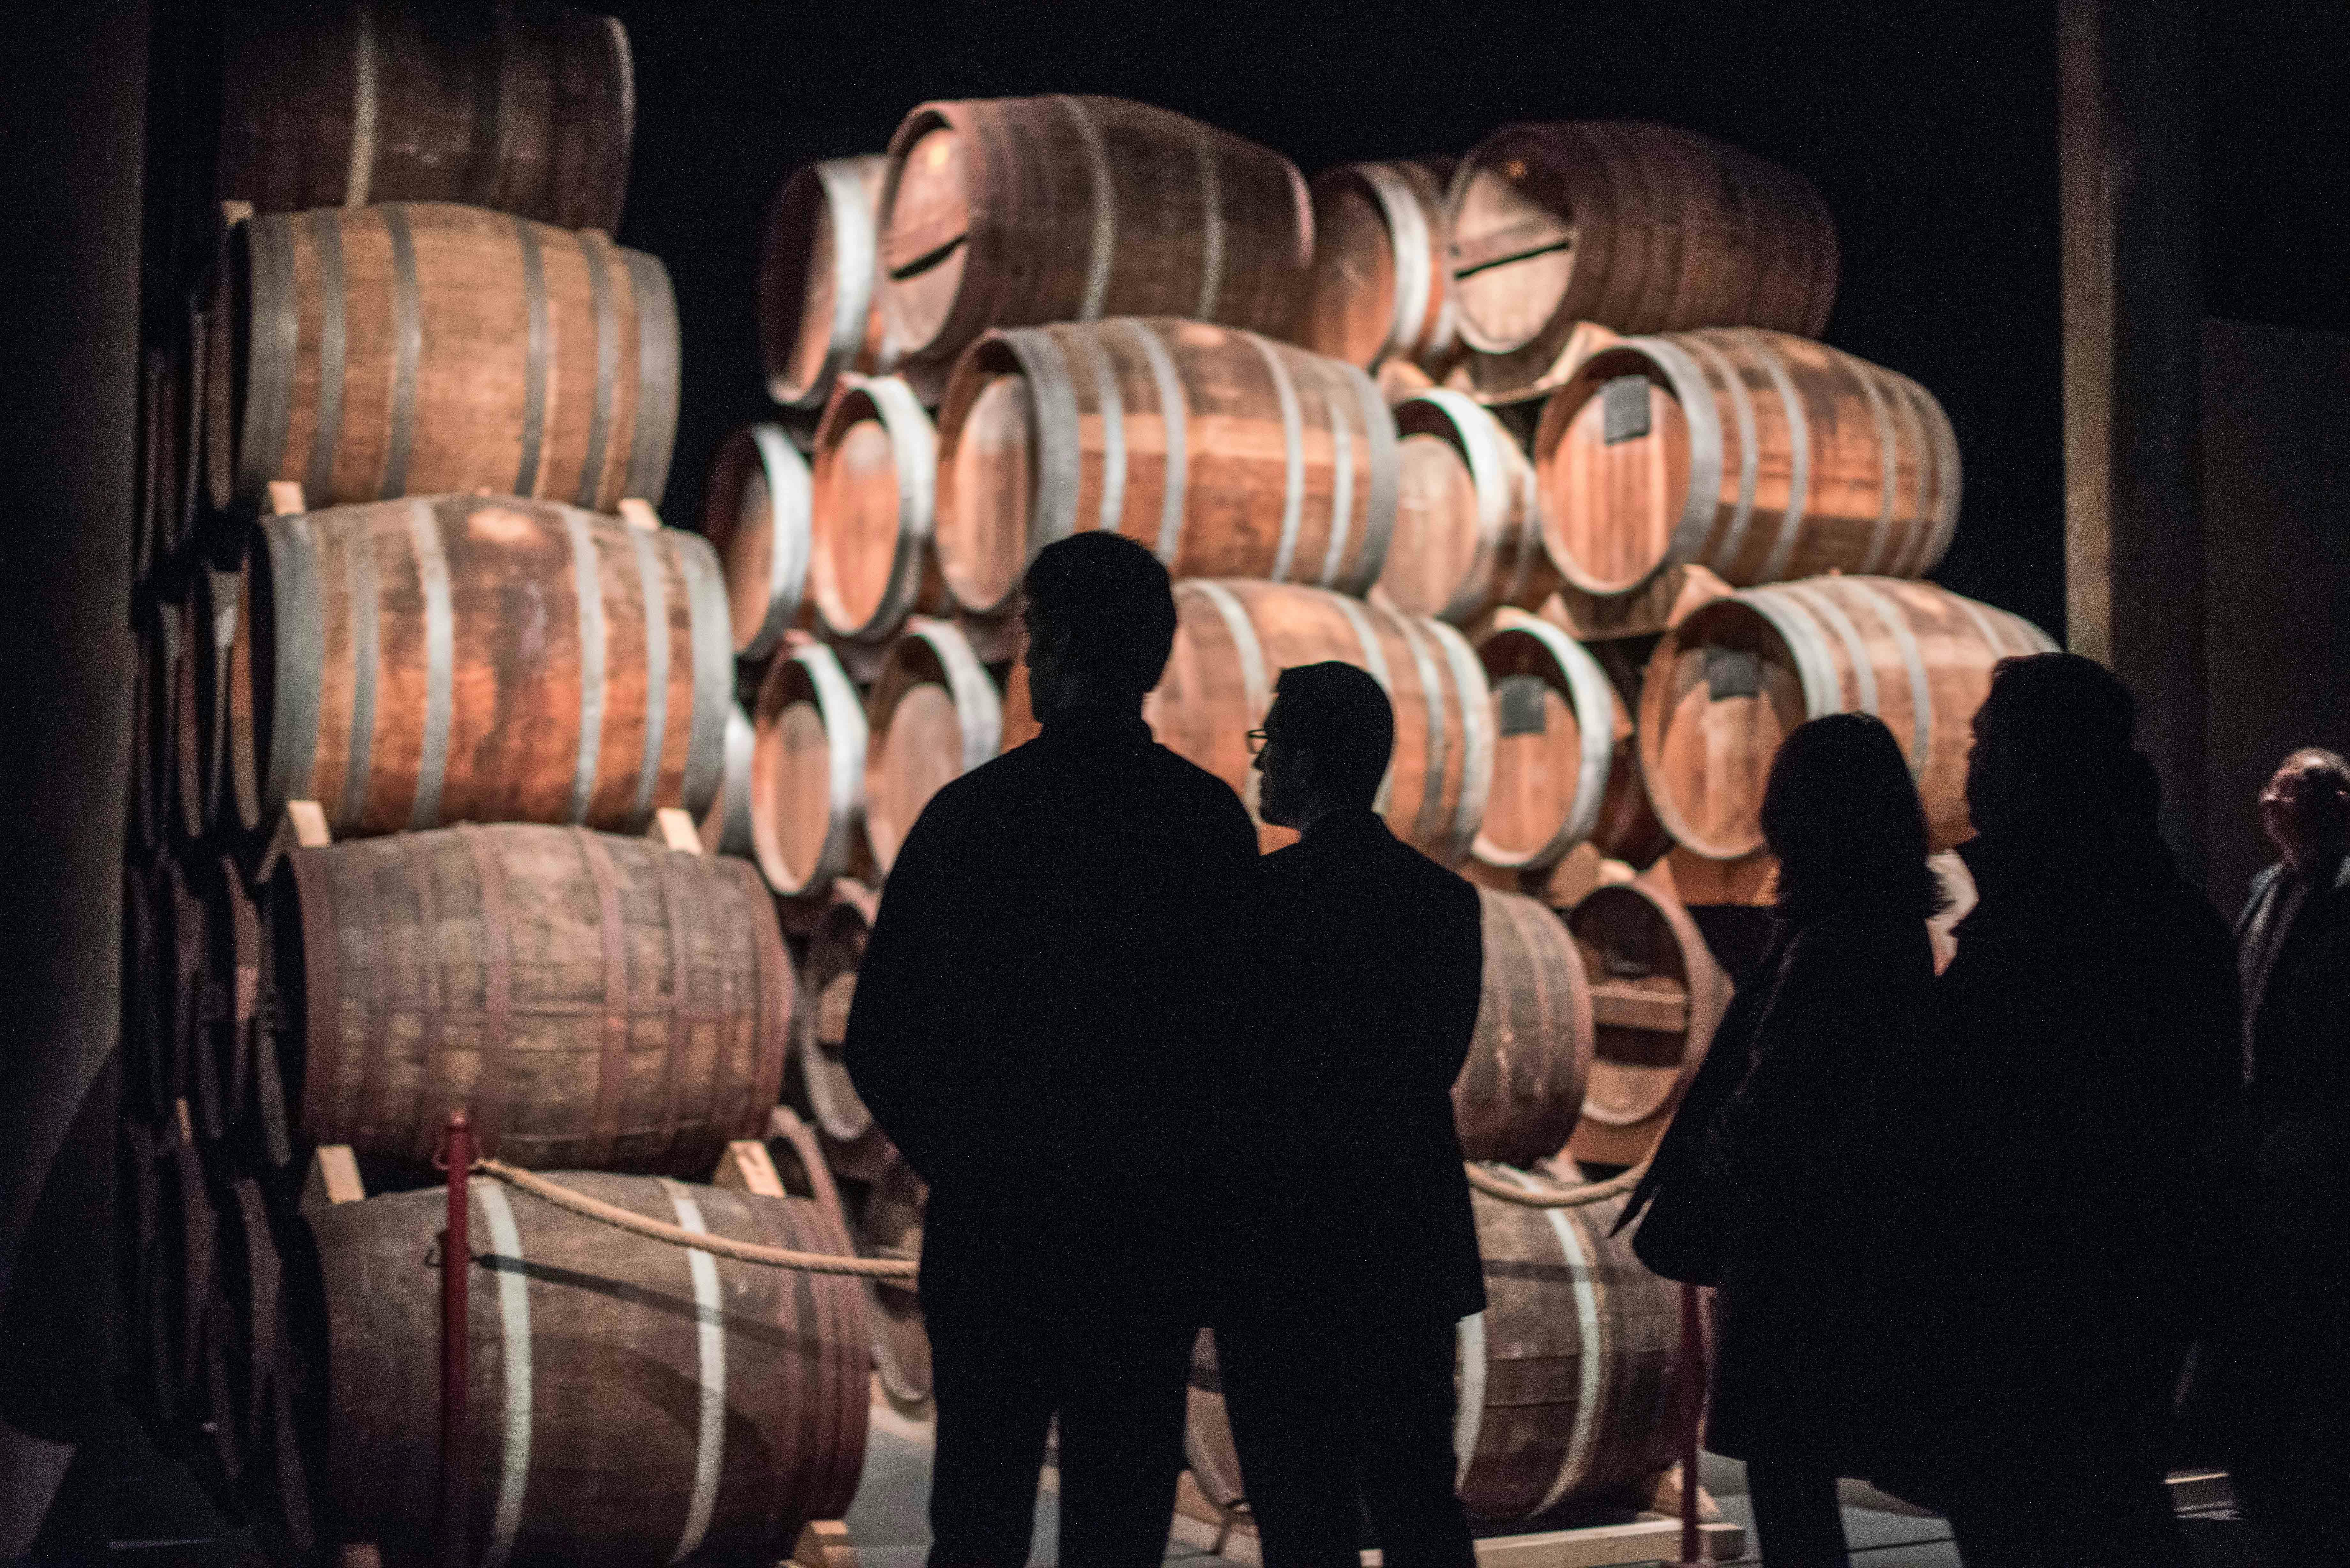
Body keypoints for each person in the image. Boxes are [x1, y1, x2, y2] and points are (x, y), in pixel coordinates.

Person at [843, 531, 1259, 1568]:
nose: (1024, 659)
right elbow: (1243, 1051)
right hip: (1148, 1244)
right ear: (1154, 661)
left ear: (1062, 647)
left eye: (1032, 633)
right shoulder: (1206, 826)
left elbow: (882, 1038)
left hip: (1003, 1236)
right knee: (1121, 1529)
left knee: (978, 1521)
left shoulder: (975, 818)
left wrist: (980, 1164)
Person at [1873, 654, 2240, 1567]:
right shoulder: (2159, 911)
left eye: (1984, 744)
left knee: (2057, 1522)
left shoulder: (2057, 926)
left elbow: (1995, 1124)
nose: (1971, 767)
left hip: (2040, 1307)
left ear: (2035, 763)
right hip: (2110, 1297)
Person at [1620, 714, 1943, 1568]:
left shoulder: (1839, 935)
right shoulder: (1882, 922)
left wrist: (1721, 1160)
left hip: (1800, 1243)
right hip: (1828, 1234)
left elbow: (1784, 1086)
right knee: (1793, 1473)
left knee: (1789, 1478)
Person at [1209, 661, 1484, 1568]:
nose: (1257, 765)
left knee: (1302, 1521)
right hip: (1407, 1248)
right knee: (1418, 1505)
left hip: (1285, 1255)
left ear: (1308, 761)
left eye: (1268, 744)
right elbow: (1430, 1070)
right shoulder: (1448, 904)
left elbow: (1232, 1082)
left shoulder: (1257, 902)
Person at [2205, 749, 2350, 1565]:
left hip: (2321, 1145)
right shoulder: (2266, 887)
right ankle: (2271, 1495)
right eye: (2270, 790)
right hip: (2256, 1139)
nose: (2269, 802)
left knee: (2314, 1325)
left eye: (2290, 793)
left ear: (2335, 804)